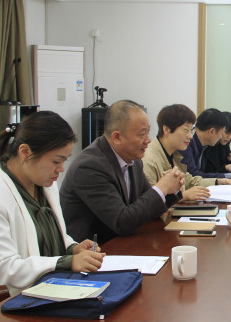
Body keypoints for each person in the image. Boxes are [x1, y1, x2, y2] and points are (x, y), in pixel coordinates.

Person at [0, 111, 105, 295]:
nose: (61, 169)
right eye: (56, 161)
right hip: (0, 303)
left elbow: (44, 238)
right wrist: (67, 262)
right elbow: (2, 269)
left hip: (48, 290)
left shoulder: (46, 185)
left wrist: (72, 248)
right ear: (25, 152)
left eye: (64, 160)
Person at [60, 100, 184, 243]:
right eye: (142, 134)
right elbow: (122, 221)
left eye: (148, 132)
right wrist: (161, 188)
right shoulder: (90, 166)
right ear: (117, 137)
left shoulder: (134, 159)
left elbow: (147, 208)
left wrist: (171, 188)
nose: (148, 140)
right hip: (95, 249)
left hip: (124, 243)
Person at [142, 104, 215, 199]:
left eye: (191, 130)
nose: (190, 136)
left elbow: (190, 181)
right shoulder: (148, 159)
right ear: (166, 129)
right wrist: (183, 196)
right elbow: (150, 201)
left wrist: (218, 181)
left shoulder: (174, 154)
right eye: (186, 130)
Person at [180, 108, 231, 184]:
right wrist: (230, 176)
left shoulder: (203, 145)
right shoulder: (186, 144)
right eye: (221, 133)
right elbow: (193, 176)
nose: (221, 137)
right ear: (212, 131)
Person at [204, 111, 231, 180]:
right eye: (227, 133)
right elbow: (208, 172)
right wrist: (226, 168)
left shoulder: (225, 144)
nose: (229, 137)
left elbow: (225, 163)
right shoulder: (209, 145)